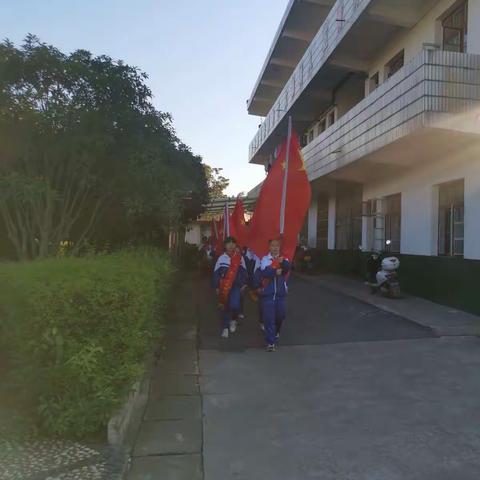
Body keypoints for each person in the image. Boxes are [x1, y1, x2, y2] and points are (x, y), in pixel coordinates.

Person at [258, 239, 291, 352]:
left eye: (277, 246)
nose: (275, 248)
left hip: (280, 294)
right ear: (269, 247)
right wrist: (274, 271)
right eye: (273, 245)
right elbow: (264, 272)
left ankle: (276, 332)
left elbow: (287, 268)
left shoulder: (284, 259)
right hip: (268, 294)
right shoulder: (265, 259)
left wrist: (281, 262)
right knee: (269, 318)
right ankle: (270, 342)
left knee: (280, 316)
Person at [212, 237, 247, 338]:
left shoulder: (239, 258)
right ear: (225, 246)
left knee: (235, 305)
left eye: (233, 243)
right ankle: (225, 327)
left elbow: (244, 272)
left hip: (236, 286)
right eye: (228, 243)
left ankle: (233, 320)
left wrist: (244, 283)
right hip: (224, 287)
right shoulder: (221, 258)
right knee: (225, 307)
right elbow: (216, 273)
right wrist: (216, 287)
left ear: (236, 245)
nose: (231, 245)